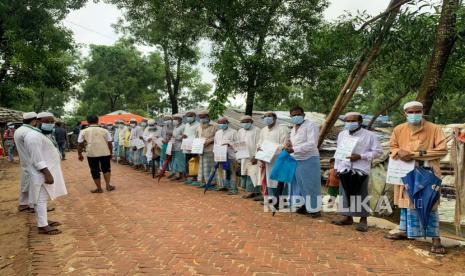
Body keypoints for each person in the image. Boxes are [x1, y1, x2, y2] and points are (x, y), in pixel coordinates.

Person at [385, 101, 448, 254]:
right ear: (404, 113)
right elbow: (392, 147)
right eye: (410, 112)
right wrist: (399, 152)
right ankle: (404, 230)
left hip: (427, 172)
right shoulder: (399, 129)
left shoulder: (434, 128)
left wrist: (418, 154)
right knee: (406, 202)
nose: (414, 114)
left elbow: (442, 150)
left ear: (423, 111)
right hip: (405, 172)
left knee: (429, 202)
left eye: (417, 111)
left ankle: (435, 238)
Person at [331, 112, 383, 231]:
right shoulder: (342, 134)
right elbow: (339, 151)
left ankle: (363, 219)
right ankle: (347, 217)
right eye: (347, 121)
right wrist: (336, 168)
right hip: (344, 167)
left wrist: (361, 156)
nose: (350, 123)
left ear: (360, 122)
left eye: (353, 121)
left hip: (360, 168)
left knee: (360, 192)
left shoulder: (370, 135)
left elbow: (378, 152)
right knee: (344, 192)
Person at [24, 112, 67, 234]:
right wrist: (46, 173)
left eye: (51, 122)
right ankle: (42, 226)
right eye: (47, 121)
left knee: (43, 198)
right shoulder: (33, 137)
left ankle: (44, 221)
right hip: (42, 172)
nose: (50, 124)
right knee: (40, 199)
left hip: (47, 170)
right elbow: (36, 158)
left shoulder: (41, 134)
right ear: (37, 122)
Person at [285, 106, 321, 217]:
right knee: (299, 185)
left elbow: (312, 143)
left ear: (303, 115)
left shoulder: (311, 125)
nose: (296, 117)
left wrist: (294, 149)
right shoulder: (293, 128)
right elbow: (294, 142)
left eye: (298, 114)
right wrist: (289, 145)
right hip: (296, 158)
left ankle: (315, 209)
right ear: (290, 117)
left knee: (310, 185)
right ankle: (304, 205)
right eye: (293, 115)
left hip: (309, 159)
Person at [78, 114, 116, 193]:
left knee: (94, 170)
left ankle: (99, 188)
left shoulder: (83, 131)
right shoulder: (105, 130)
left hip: (91, 153)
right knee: (106, 169)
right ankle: (108, 186)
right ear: (97, 121)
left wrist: (80, 154)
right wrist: (111, 153)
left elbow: (80, 144)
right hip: (105, 152)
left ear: (87, 122)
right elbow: (109, 143)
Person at [257, 112, 289, 200]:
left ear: (275, 118)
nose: (267, 118)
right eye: (265, 116)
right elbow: (260, 142)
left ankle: (282, 201)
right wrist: (259, 149)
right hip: (266, 159)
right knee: (269, 180)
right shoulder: (263, 130)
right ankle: (271, 200)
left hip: (278, 159)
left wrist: (271, 148)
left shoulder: (282, 129)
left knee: (279, 180)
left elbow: (284, 144)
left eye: (269, 116)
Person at [14, 112, 38, 212]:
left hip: (25, 160)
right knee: (33, 182)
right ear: (33, 121)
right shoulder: (29, 131)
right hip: (31, 160)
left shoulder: (19, 130)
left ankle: (23, 204)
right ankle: (34, 206)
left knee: (27, 181)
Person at [238, 115, 261, 200]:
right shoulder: (240, 131)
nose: (245, 123)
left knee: (253, 174)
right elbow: (239, 143)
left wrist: (256, 156)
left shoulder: (257, 130)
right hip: (244, 156)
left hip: (253, 156)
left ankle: (253, 192)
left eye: (247, 121)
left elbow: (259, 144)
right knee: (246, 173)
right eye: (243, 122)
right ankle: (252, 192)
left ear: (251, 122)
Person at [213, 117, 239, 194]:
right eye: (220, 123)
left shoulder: (234, 132)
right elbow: (215, 143)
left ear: (227, 123)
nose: (221, 124)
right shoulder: (218, 133)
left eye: (223, 123)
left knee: (231, 171)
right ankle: (223, 186)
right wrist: (215, 153)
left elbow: (237, 143)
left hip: (231, 155)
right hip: (220, 155)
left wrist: (229, 144)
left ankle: (234, 188)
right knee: (221, 171)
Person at [191, 110, 217, 187]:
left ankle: (210, 182)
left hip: (210, 149)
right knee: (202, 167)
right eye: (200, 117)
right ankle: (203, 182)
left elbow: (217, 136)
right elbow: (196, 137)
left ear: (208, 117)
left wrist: (209, 141)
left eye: (203, 117)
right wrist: (195, 146)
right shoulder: (199, 127)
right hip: (201, 150)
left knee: (209, 166)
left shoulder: (214, 126)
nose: (202, 119)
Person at [182, 111, 200, 183]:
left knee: (195, 161)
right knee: (187, 161)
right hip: (186, 145)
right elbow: (185, 133)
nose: (189, 118)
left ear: (194, 117)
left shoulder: (198, 125)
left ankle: (195, 177)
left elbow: (198, 136)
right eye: (187, 116)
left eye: (190, 116)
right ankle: (189, 177)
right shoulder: (186, 125)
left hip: (194, 145)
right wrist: (184, 135)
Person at [169, 114, 187, 181]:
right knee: (176, 162)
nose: (174, 120)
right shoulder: (175, 127)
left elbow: (184, 137)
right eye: (173, 119)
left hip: (180, 146)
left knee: (181, 161)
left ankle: (183, 176)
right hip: (174, 146)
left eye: (175, 119)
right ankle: (178, 175)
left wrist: (176, 137)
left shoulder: (183, 126)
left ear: (180, 119)